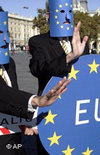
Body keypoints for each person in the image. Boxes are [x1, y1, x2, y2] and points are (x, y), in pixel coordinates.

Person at [0, 8, 71, 155]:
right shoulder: (39, 42)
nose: (7, 39)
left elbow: (13, 96)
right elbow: (2, 93)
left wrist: (22, 122)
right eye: (1, 34)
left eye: (6, 32)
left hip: (13, 140)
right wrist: (37, 101)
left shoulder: (9, 63)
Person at [29, 0, 89, 96]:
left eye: (70, 12)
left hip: (79, 98)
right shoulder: (38, 42)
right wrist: (69, 57)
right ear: (48, 15)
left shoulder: (80, 42)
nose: (68, 17)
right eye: (62, 12)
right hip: (53, 102)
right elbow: (38, 69)